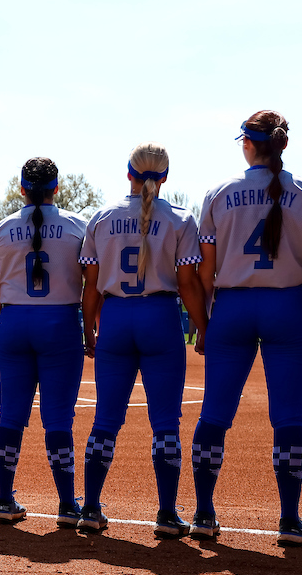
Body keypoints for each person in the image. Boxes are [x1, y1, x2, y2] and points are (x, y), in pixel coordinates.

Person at [194, 111, 302, 546]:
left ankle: (204, 514)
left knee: (214, 413)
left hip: (231, 306)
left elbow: (205, 272)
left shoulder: (220, 192)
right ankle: (289, 520)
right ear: (282, 146)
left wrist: (204, 323)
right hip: (287, 305)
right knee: (288, 416)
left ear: (248, 145)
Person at [79, 144, 208, 537]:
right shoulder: (181, 219)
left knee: (105, 418)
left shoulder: (102, 217)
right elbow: (187, 283)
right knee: (166, 422)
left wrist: (88, 328)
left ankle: (89, 508)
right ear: (165, 177)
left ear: (128, 173)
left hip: (116, 318)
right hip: (160, 317)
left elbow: (91, 287)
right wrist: (204, 326)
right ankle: (167, 515)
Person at [0, 158, 87, 524]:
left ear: (21, 188)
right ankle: (67, 505)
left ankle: (4, 500)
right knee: (58, 417)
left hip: (13, 323)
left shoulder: (1, 230)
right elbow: (92, 286)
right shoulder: (78, 227)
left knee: (10, 415)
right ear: (56, 188)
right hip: (60, 323)